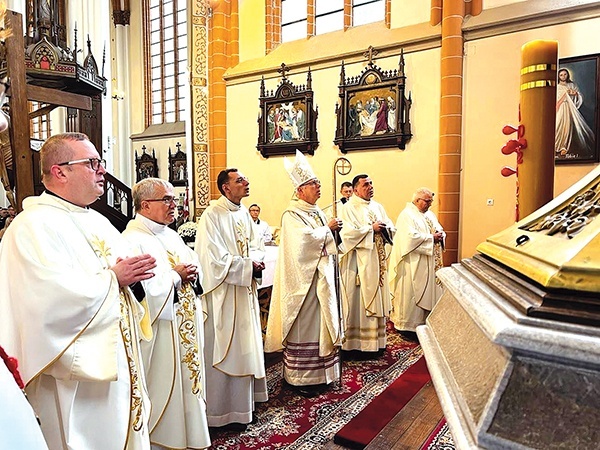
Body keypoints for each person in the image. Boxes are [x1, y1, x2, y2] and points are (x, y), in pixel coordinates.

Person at [0, 132, 157, 450]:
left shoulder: (98, 220)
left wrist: (133, 280)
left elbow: (126, 280)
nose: (102, 169)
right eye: (92, 163)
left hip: (117, 361)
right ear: (60, 171)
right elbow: (45, 302)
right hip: (74, 375)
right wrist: (113, 279)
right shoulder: (31, 226)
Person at [123, 178, 211, 450]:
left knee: (190, 381)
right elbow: (141, 292)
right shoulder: (132, 241)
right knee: (165, 387)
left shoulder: (170, 234)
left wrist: (192, 274)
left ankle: (191, 436)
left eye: (174, 199)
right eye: (168, 200)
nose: (174, 205)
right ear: (146, 205)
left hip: (183, 323)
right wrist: (175, 276)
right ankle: (164, 441)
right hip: (161, 332)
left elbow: (192, 266)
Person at [265, 150, 343, 397]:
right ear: (299, 190)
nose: (318, 187)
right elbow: (301, 245)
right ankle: (302, 378)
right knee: (307, 327)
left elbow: (326, 242)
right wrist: (327, 231)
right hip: (304, 285)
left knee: (323, 325)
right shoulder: (292, 215)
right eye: (312, 184)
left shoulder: (317, 211)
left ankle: (325, 374)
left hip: (322, 280)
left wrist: (332, 231)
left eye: (318, 183)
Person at [194, 168, 267, 430]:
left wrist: (254, 261)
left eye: (245, 179)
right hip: (224, 295)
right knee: (226, 349)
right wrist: (248, 266)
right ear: (225, 187)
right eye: (239, 181)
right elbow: (212, 259)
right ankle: (221, 412)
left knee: (246, 347)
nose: (246, 183)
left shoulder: (243, 212)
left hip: (243, 291)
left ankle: (244, 407)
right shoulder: (212, 215)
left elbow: (257, 244)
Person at [338, 174, 395, 353]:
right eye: (365, 185)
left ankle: (375, 343)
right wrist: (371, 229)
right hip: (357, 265)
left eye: (371, 183)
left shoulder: (378, 206)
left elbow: (390, 226)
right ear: (355, 190)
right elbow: (346, 234)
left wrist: (387, 228)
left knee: (376, 296)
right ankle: (355, 344)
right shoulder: (348, 208)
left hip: (376, 261)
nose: (370, 187)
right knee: (357, 302)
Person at [388, 188, 445, 337]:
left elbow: (438, 228)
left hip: (428, 262)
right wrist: (431, 238)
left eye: (430, 202)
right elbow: (408, 238)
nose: (429, 205)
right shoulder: (406, 215)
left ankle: (426, 322)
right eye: (427, 201)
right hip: (412, 265)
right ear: (417, 200)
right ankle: (407, 325)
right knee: (410, 293)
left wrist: (441, 234)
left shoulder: (429, 214)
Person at [555, 67, 595, 159]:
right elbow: (555, 100)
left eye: (565, 74)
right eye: (561, 75)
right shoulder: (557, 87)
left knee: (567, 127)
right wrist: (566, 94)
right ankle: (555, 144)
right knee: (557, 126)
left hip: (569, 108)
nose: (563, 76)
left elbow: (579, 96)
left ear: (568, 75)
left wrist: (575, 94)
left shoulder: (572, 85)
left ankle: (563, 147)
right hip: (561, 107)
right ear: (558, 76)